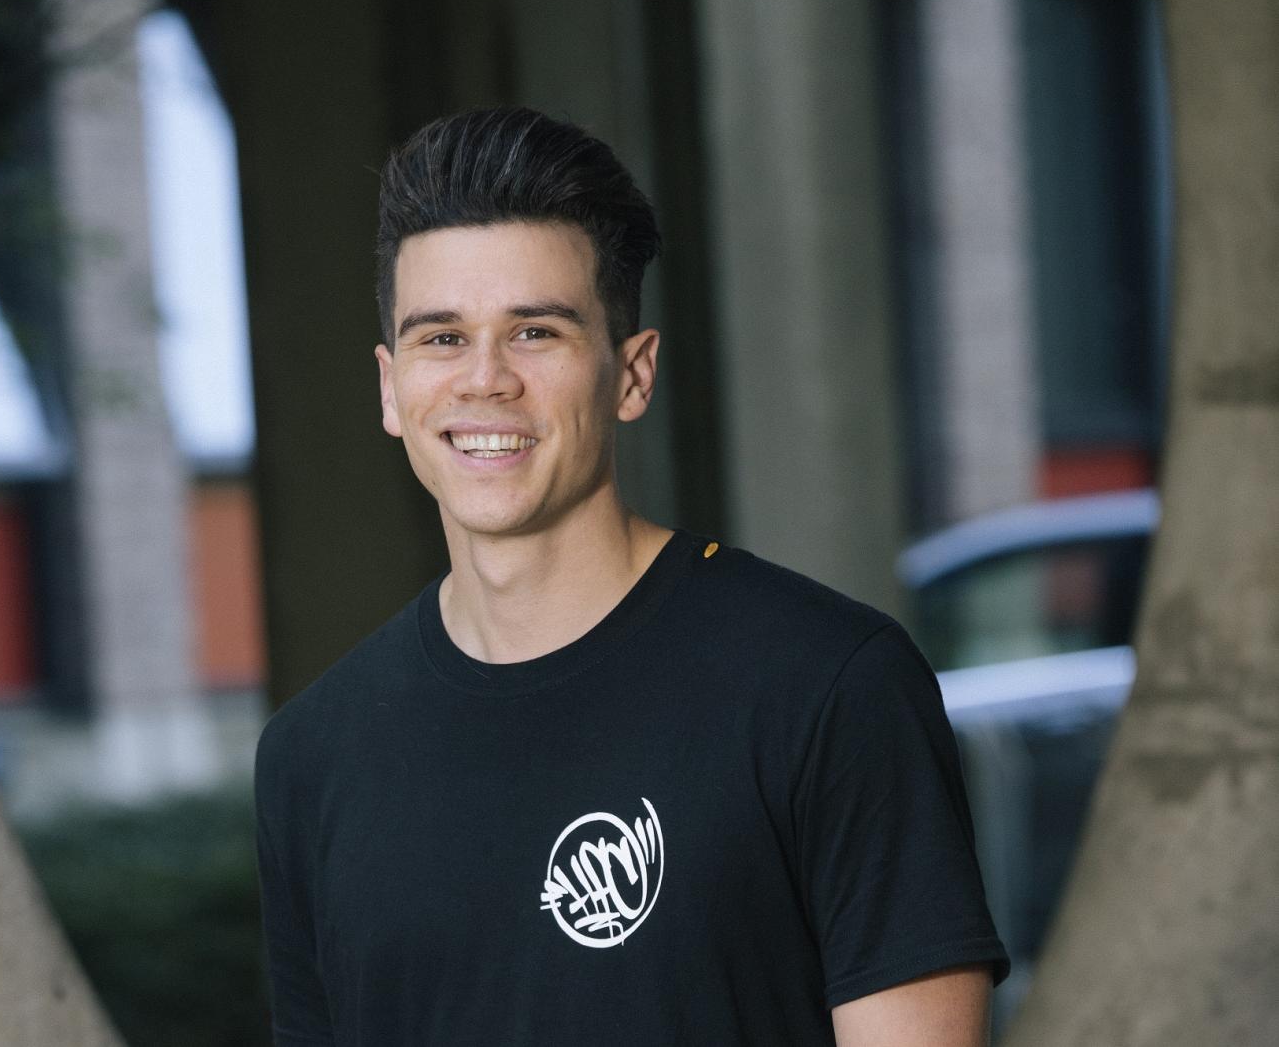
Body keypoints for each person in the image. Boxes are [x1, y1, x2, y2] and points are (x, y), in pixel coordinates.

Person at [254, 105, 1008, 1046]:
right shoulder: (312, 758)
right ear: (389, 388)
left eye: (536, 332)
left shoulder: (826, 685)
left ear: (633, 373)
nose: (484, 379)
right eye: (440, 337)